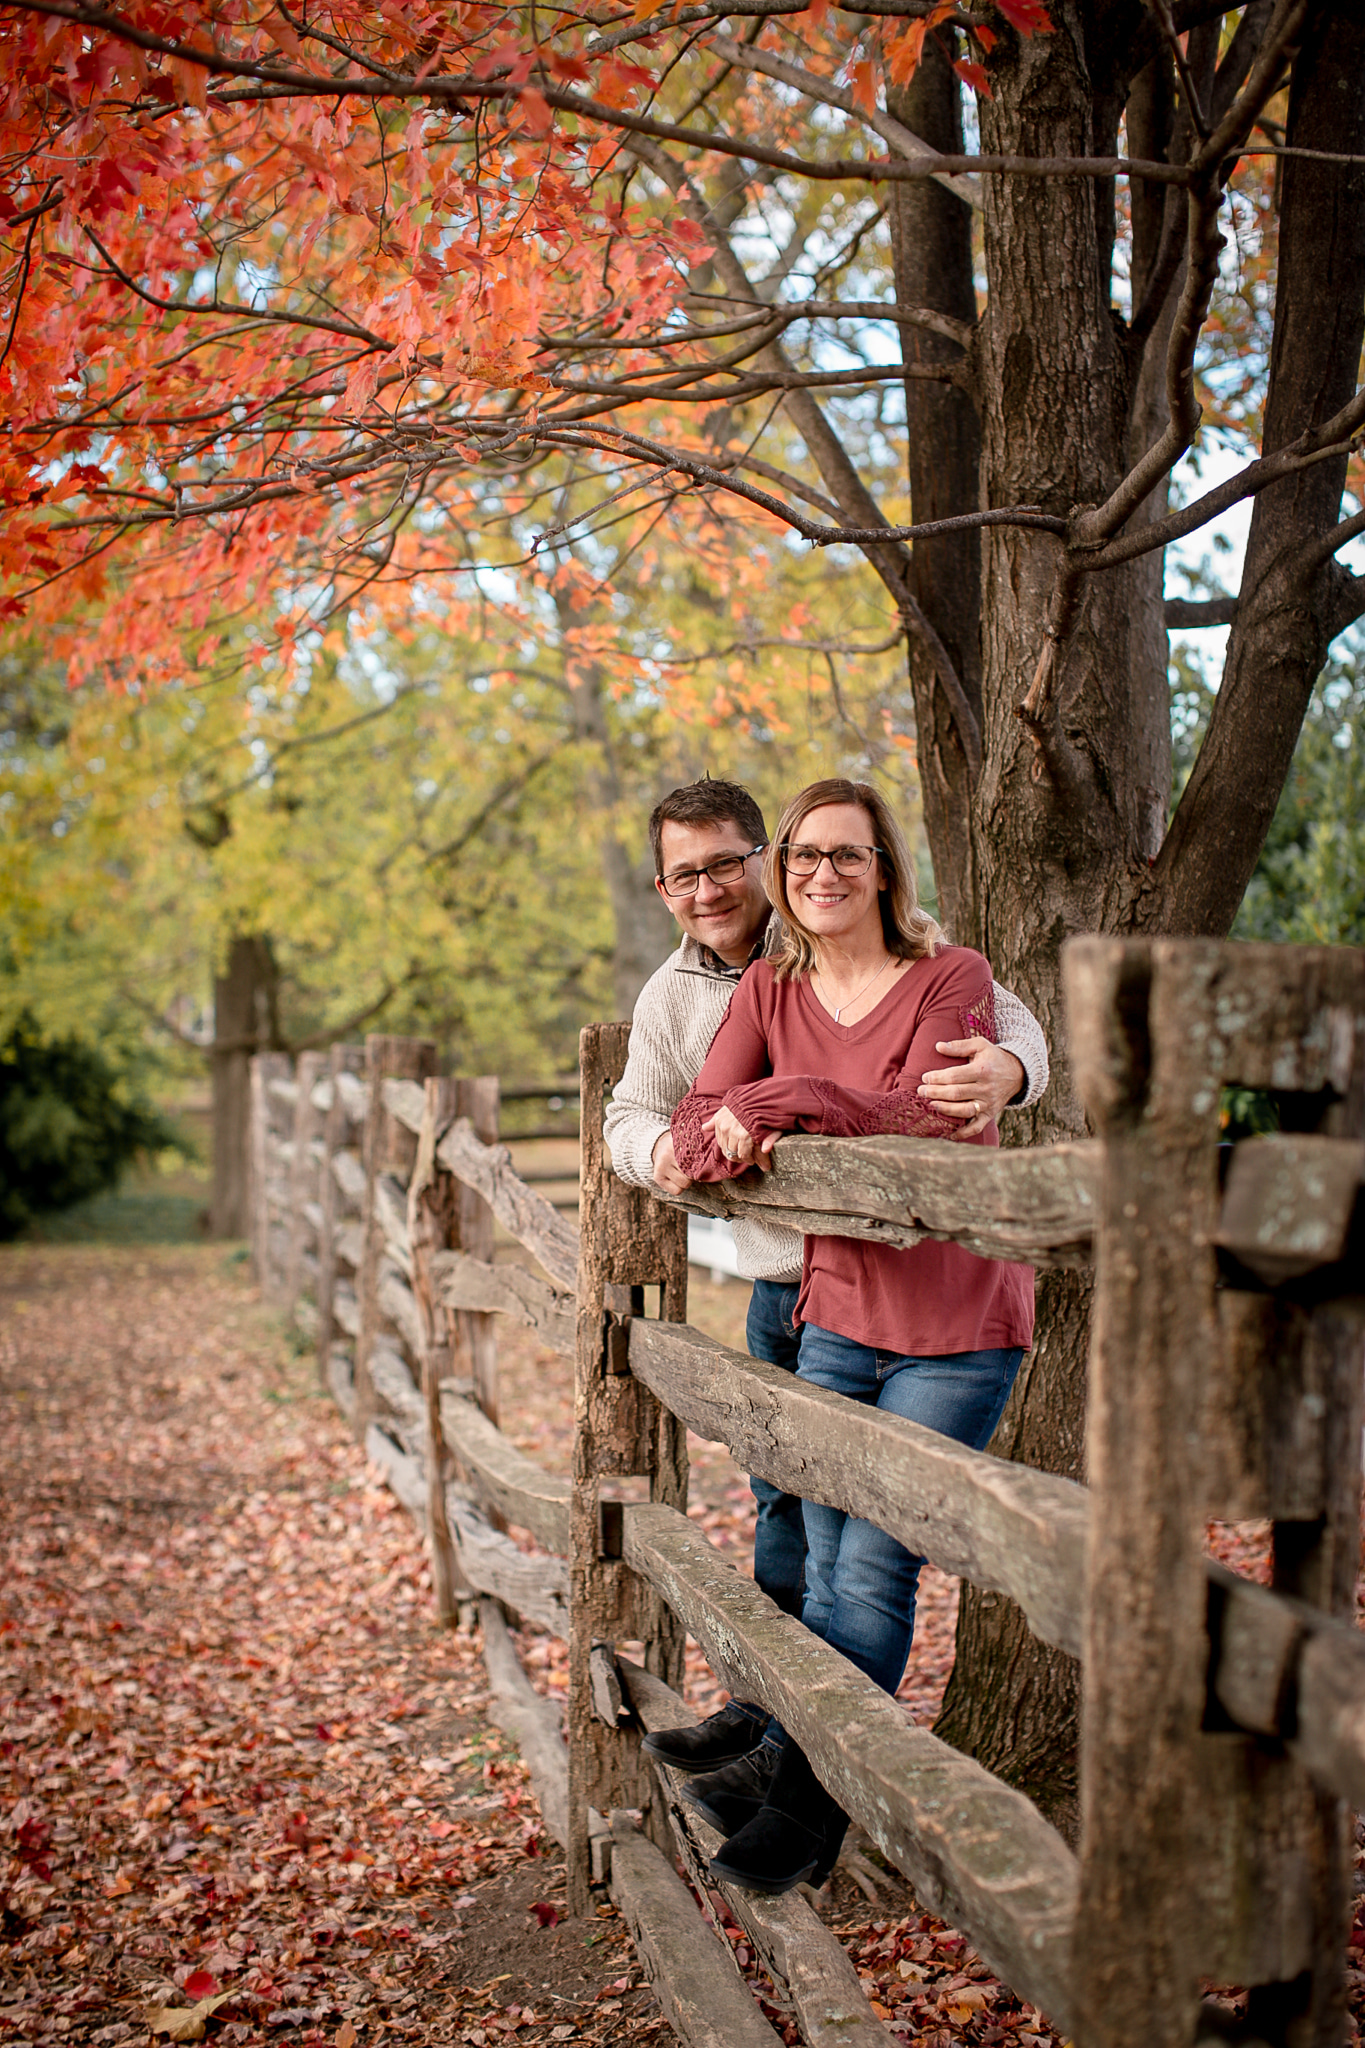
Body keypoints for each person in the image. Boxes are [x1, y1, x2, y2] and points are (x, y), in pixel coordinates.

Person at [603, 779, 1048, 1817]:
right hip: (792, 1286)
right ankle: (769, 1719)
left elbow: (1008, 1027)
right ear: (662, 888)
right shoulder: (680, 995)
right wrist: (671, 1156)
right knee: (787, 1525)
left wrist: (1012, 1070)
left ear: (760, 857)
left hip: (924, 1293)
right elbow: (641, 1113)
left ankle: (797, 1776)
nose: (708, 889)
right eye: (683, 874)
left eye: (726, 863)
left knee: (862, 1558)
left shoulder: (879, 938)